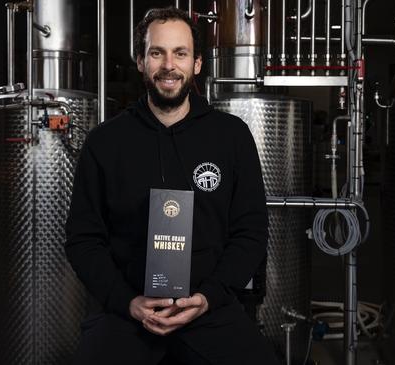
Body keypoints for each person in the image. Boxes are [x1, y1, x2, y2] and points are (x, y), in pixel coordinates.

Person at [64, 7, 281, 365]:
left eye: (180, 53)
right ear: (140, 61)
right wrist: (127, 302)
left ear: (197, 63)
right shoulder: (105, 142)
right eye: (156, 52)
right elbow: (83, 239)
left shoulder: (231, 137)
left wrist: (210, 296)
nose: (168, 65)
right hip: (129, 311)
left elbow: (251, 232)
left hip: (209, 309)